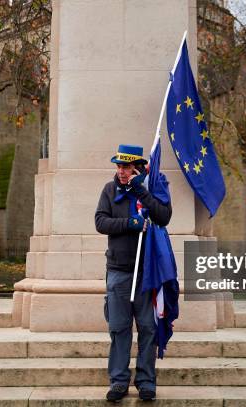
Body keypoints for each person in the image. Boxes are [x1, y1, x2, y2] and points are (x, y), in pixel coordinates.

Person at [95, 144, 172, 402]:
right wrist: (131, 223)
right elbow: (100, 222)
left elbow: (164, 216)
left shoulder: (150, 188)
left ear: (138, 168)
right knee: (119, 328)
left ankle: (146, 381)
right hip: (118, 272)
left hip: (147, 273)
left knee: (148, 329)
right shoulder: (109, 190)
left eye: (126, 167)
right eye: (118, 166)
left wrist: (141, 189)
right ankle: (118, 381)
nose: (121, 171)